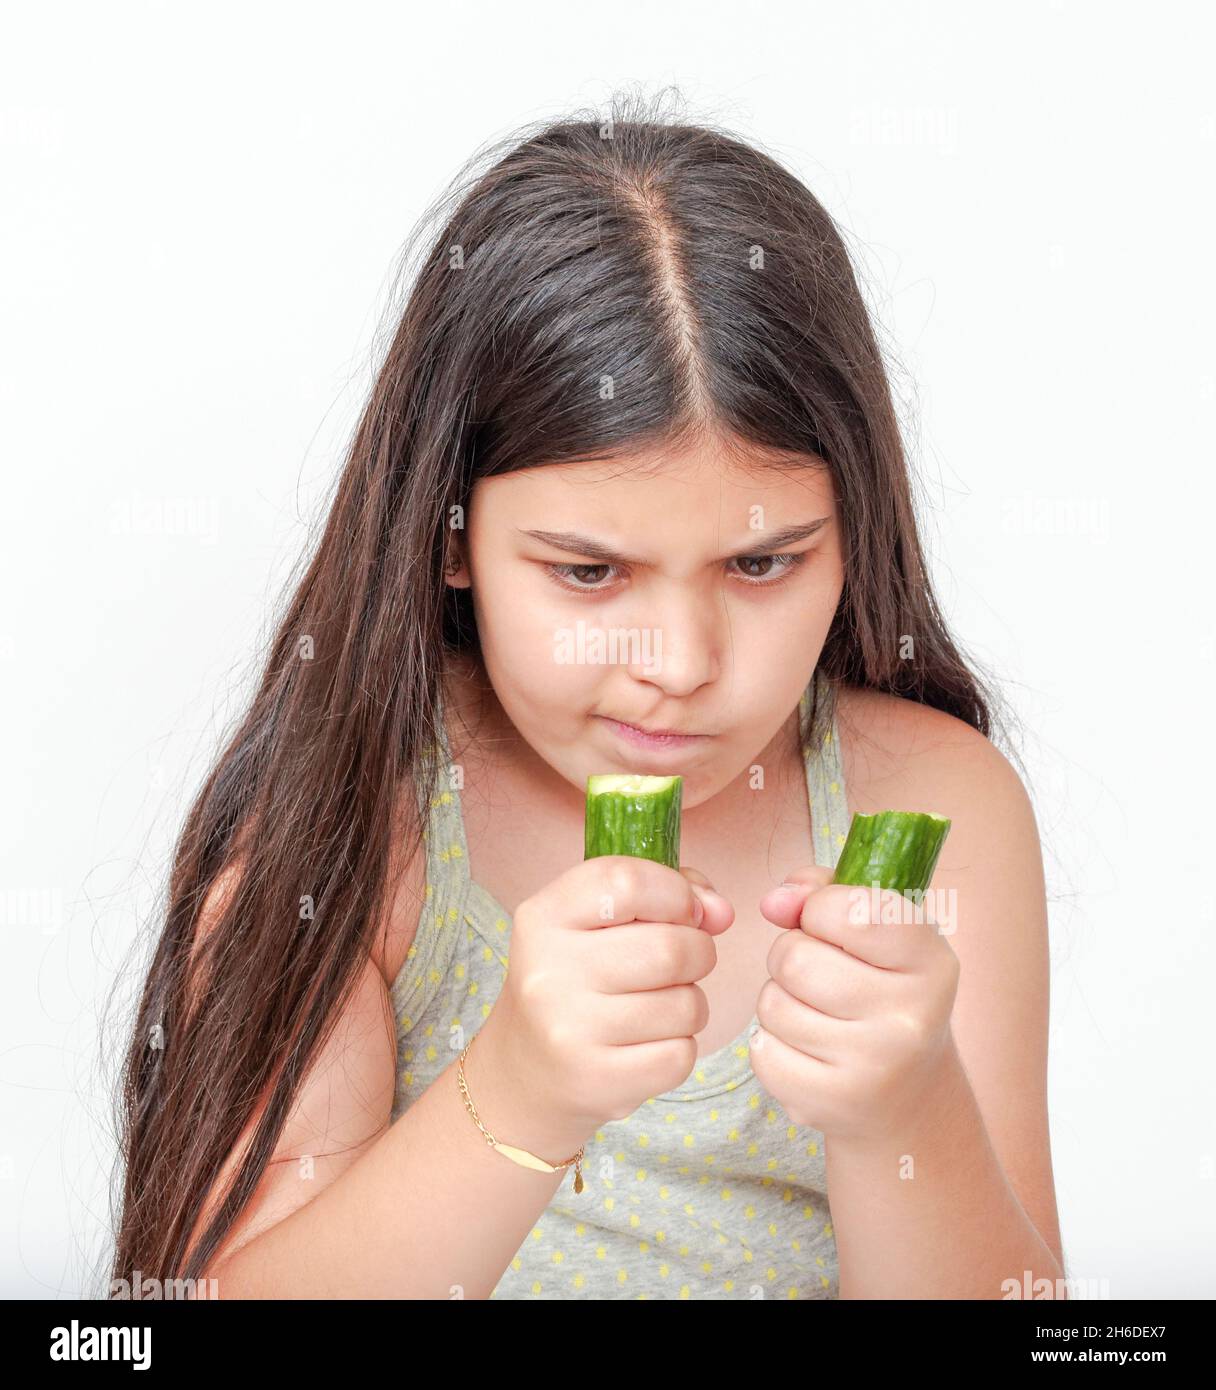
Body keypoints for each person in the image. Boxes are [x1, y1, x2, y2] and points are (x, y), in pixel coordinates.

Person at [109, 90, 1064, 1300]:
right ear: (447, 533)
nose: (678, 660)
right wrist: (514, 1090)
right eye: (588, 570)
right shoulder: (369, 824)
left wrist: (907, 1110)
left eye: (762, 563)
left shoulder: (936, 802)